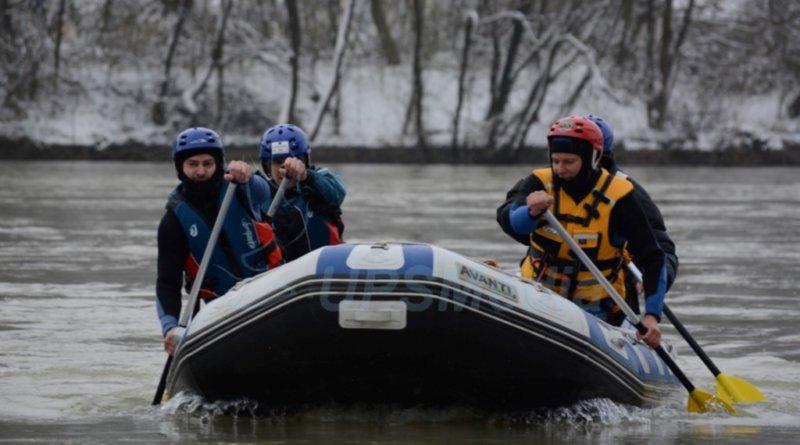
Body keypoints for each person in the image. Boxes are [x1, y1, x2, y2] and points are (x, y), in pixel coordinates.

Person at [496, 115, 668, 348]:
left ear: (592, 158)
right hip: (536, 294)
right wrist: (530, 212)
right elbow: (513, 223)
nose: (560, 169)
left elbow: (653, 257)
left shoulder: (622, 196)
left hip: (597, 311)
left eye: (569, 162)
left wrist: (651, 317)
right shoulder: (538, 182)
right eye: (555, 161)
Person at [156, 127, 282, 356]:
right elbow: (167, 282)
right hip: (222, 310)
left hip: (269, 293)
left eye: (207, 163)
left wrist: (249, 176)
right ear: (180, 168)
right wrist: (170, 327)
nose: (201, 171)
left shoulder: (241, 187)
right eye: (193, 164)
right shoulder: (173, 220)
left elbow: (264, 193)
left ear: (218, 164)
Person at [586, 114, 679, 296]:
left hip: (608, 290)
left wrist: (654, 277)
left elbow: (662, 248)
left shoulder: (629, 193)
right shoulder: (550, 182)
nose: (562, 167)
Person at [258, 123, 346, 262]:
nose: (285, 167)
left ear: (304, 161)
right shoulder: (260, 193)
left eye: (292, 159)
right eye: (277, 161)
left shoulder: (321, 179)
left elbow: (336, 193)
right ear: (267, 166)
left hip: (322, 268)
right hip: (278, 275)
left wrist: (306, 176)